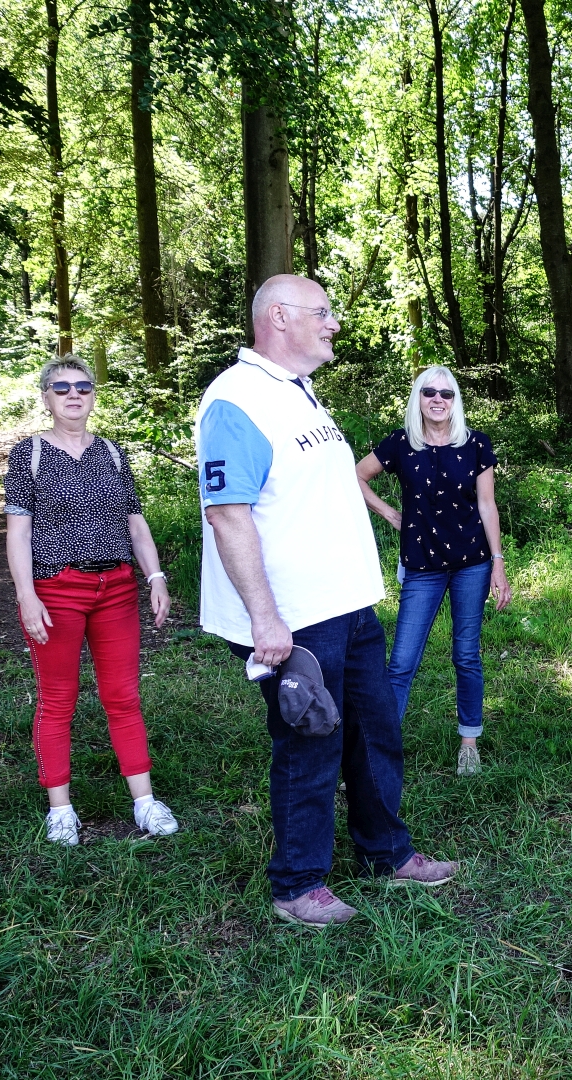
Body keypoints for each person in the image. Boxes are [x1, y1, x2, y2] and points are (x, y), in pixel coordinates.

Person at [197, 274, 459, 927]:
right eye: (322, 312)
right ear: (279, 317)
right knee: (310, 741)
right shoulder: (236, 399)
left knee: (374, 731)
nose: (333, 322)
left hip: (347, 602)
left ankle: (386, 853)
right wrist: (264, 619)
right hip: (295, 616)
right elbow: (227, 514)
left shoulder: (298, 392)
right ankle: (297, 884)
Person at [4, 356, 178, 846]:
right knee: (58, 698)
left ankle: (144, 801)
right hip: (56, 590)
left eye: (82, 386)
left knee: (123, 696)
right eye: (61, 388)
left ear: (93, 395)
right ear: (46, 397)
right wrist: (26, 595)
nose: (73, 394)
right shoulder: (29, 454)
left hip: (116, 589)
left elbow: (135, 523)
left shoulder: (113, 453)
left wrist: (156, 577)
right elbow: (18, 533)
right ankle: (60, 809)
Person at [357, 366, 511, 778]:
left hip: (472, 564)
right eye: (429, 393)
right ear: (418, 399)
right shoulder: (401, 443)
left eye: (446, 393)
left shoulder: (476, 444)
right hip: (421, 565)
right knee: (401, 662)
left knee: (466, 655)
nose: (438, 400)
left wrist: (498, 562)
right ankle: (380, 753)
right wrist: (388, 512)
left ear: (455, 400)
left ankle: (469, 744)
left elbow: (487, 505)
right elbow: (355, 475)